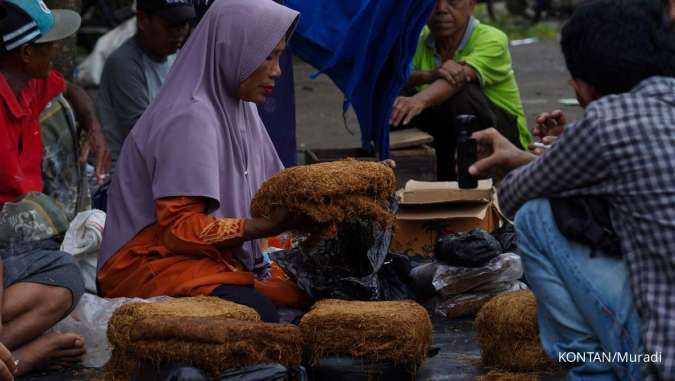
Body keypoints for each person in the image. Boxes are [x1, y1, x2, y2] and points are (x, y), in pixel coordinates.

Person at [468, 0, 675, 379]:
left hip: (660, 361)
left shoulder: (608, 123)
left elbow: (515, 196)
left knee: (537, 216)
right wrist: (565, 150)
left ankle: (592, 371)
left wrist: (561, 156)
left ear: (583, 83)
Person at [98, 0, 307, 323]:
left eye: (279, 55)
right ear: (232, 49)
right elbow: (178, 230)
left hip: (206, 256)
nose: (277, 70)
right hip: (148, 261)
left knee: (308, 290)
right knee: (257, 314)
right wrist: (260, 227)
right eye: (268, 56)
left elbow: (275, 187)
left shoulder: (240, 105)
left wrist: (346, 192)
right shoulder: (190, 116)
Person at [0, 0, 98, 378]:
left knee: (65, 277)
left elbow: (69, 87)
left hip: (16, 237)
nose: (57, 51)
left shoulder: (28, 83)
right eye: (49, 44)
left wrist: (93, 125)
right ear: (26, 53)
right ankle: (28, 355)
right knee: (61, 269)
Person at [390, 0, 530, 180]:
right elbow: (395, 73)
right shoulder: (419, 40)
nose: (441, 9)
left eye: (452, 1)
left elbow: (458, 79)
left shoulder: (492, 38)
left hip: (503, 139)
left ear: (471, 5)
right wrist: (429, 75)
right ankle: (410, 172)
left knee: (462, 93)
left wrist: (419, 100)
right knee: (394, 91)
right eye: (433, 2)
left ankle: (476, 179)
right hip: (450, 136)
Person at [96, 0, 195, 170]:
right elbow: (145, 137)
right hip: (129, 177)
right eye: (170, 26)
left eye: (183, 25)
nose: (179, 33)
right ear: (142, 20)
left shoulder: (177, 57)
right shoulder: (124, 64)